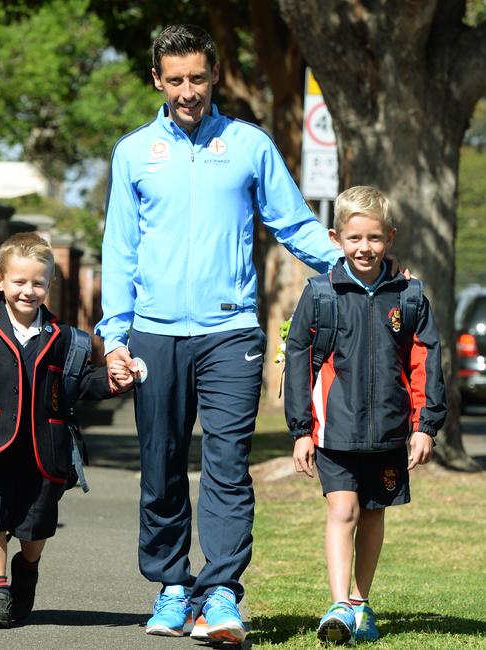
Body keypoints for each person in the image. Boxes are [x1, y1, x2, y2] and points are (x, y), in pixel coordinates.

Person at [95, 24, 344, 644]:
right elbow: (119, 250)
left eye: (198, 79)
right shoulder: (132, 153)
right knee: (160, 462)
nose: (187, 91)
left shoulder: (248, 145)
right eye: (175, 79)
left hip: (230, 331)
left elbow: (294, 223)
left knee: (228, 464)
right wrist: (114, 336)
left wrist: (354, 264)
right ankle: (173, 587)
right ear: (157, 79)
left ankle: (224, 592)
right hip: (152, 333)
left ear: (213, 78)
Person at [0, 232, 131, 628]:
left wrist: (113, 382)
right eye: (19, 282)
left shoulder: (66, 339)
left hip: (45, 451)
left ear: (49, 285)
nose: (28, 291)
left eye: (38, 283)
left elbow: (79, 386)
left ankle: (27, 570)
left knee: (34, 527)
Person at [284, 186, 446, 644]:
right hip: (335, 430)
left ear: (389, 237)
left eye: (374, 238)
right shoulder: (320, 294)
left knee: (373, 514)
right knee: (344, 509)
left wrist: (424, 427)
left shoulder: (409, 295)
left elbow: (425, 359)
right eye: (355, 238)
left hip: (392, 432)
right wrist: (300, 430)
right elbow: (299, 359)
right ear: (336, 238)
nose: (365, 248)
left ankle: (360, 602)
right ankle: (337, 605)